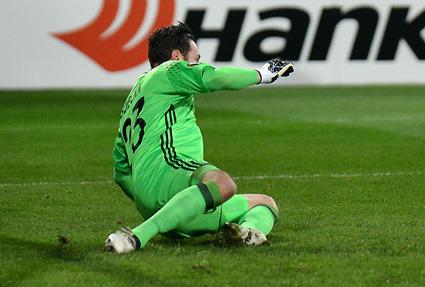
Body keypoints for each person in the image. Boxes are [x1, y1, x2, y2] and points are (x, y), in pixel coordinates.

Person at [105, 22, 293, 253]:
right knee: (222, 183)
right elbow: (211, 77)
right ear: (177, 57)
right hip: (170, 174)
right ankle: (134, 237)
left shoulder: (132, 101)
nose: (196, 64)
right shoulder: (168, 71)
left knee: (264, 202)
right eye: (195, 59)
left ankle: (248, 234)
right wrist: (262, 74)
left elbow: (121, 172)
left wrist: (152, 203)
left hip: (163, 208)